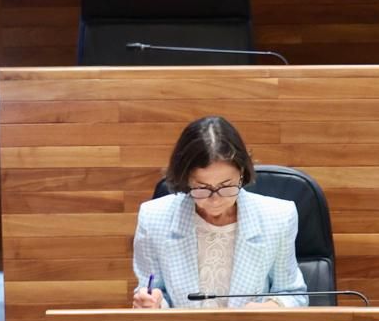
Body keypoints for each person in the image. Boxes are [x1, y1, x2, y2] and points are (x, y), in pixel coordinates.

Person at [131, 115, 308, 310]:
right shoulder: (154, 218)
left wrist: (271, 307)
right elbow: (153, 291)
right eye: (202, 187)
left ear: (241, 173)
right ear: (185, 179)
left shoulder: (278, 217)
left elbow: (293, 294)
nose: (215, 199)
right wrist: (153, 303)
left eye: (226, 186)